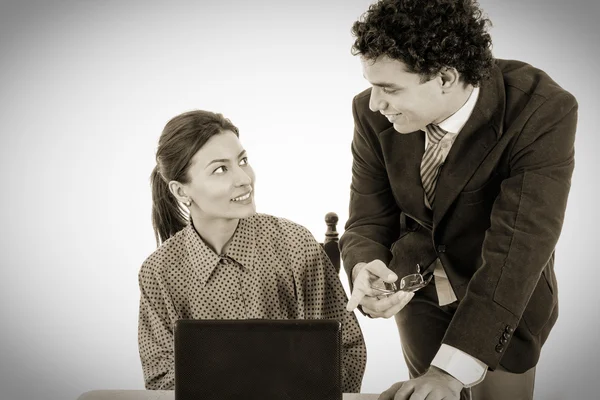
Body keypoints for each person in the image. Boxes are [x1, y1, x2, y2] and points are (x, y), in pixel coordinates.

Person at [341, 1, 578, 399]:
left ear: (446, 77)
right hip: (418, 294)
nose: (374, 103)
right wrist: (366, 266)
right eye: (372, 84)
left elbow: (517, 249)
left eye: (390, 88)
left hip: (502, 296)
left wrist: (449, 373)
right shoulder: (370, 115)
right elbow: (367, 218)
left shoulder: (541, 109)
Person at [137, 110, 366, 393]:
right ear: (181, 191)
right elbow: (162, 378)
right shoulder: (158, 272)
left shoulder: (296, 245)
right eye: (220, 169)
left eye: (242, 161)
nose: (244, 178)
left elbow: (346, 350)